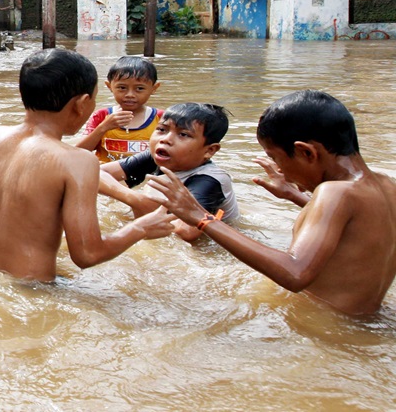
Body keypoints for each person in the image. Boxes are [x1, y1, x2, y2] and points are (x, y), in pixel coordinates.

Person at [148, 90, 396, 315]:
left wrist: (202, 217)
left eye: (276, 158)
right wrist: (295, 196)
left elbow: (295, 272)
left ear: (306, 152)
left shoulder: (335, 193)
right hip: (364, 317)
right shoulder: (385, 184)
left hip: (325, 324)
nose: (279, 169)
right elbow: (357, 231)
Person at [0, 48, 173, 281]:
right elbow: (88, 254)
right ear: (82, 103)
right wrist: (141, 228)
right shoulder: (78, 160)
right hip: (30, 288)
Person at [99, 103, 239, 242]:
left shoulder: (209, 180)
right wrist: (135, 199)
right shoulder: (157, 156)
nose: (165, 139)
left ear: (210, 150)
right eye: (161, 129)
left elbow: (186, 232)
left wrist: (138, 202)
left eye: (183, 134)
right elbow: (92, 172)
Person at [75, 56, 161, 163]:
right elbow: (77, 154)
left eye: (139, 88)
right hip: (105, 177)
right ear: (109, 86)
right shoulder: (102, 116)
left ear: (154, 88)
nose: (130, 95)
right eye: (122, 88)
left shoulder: (162, 119)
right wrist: (103, 127)